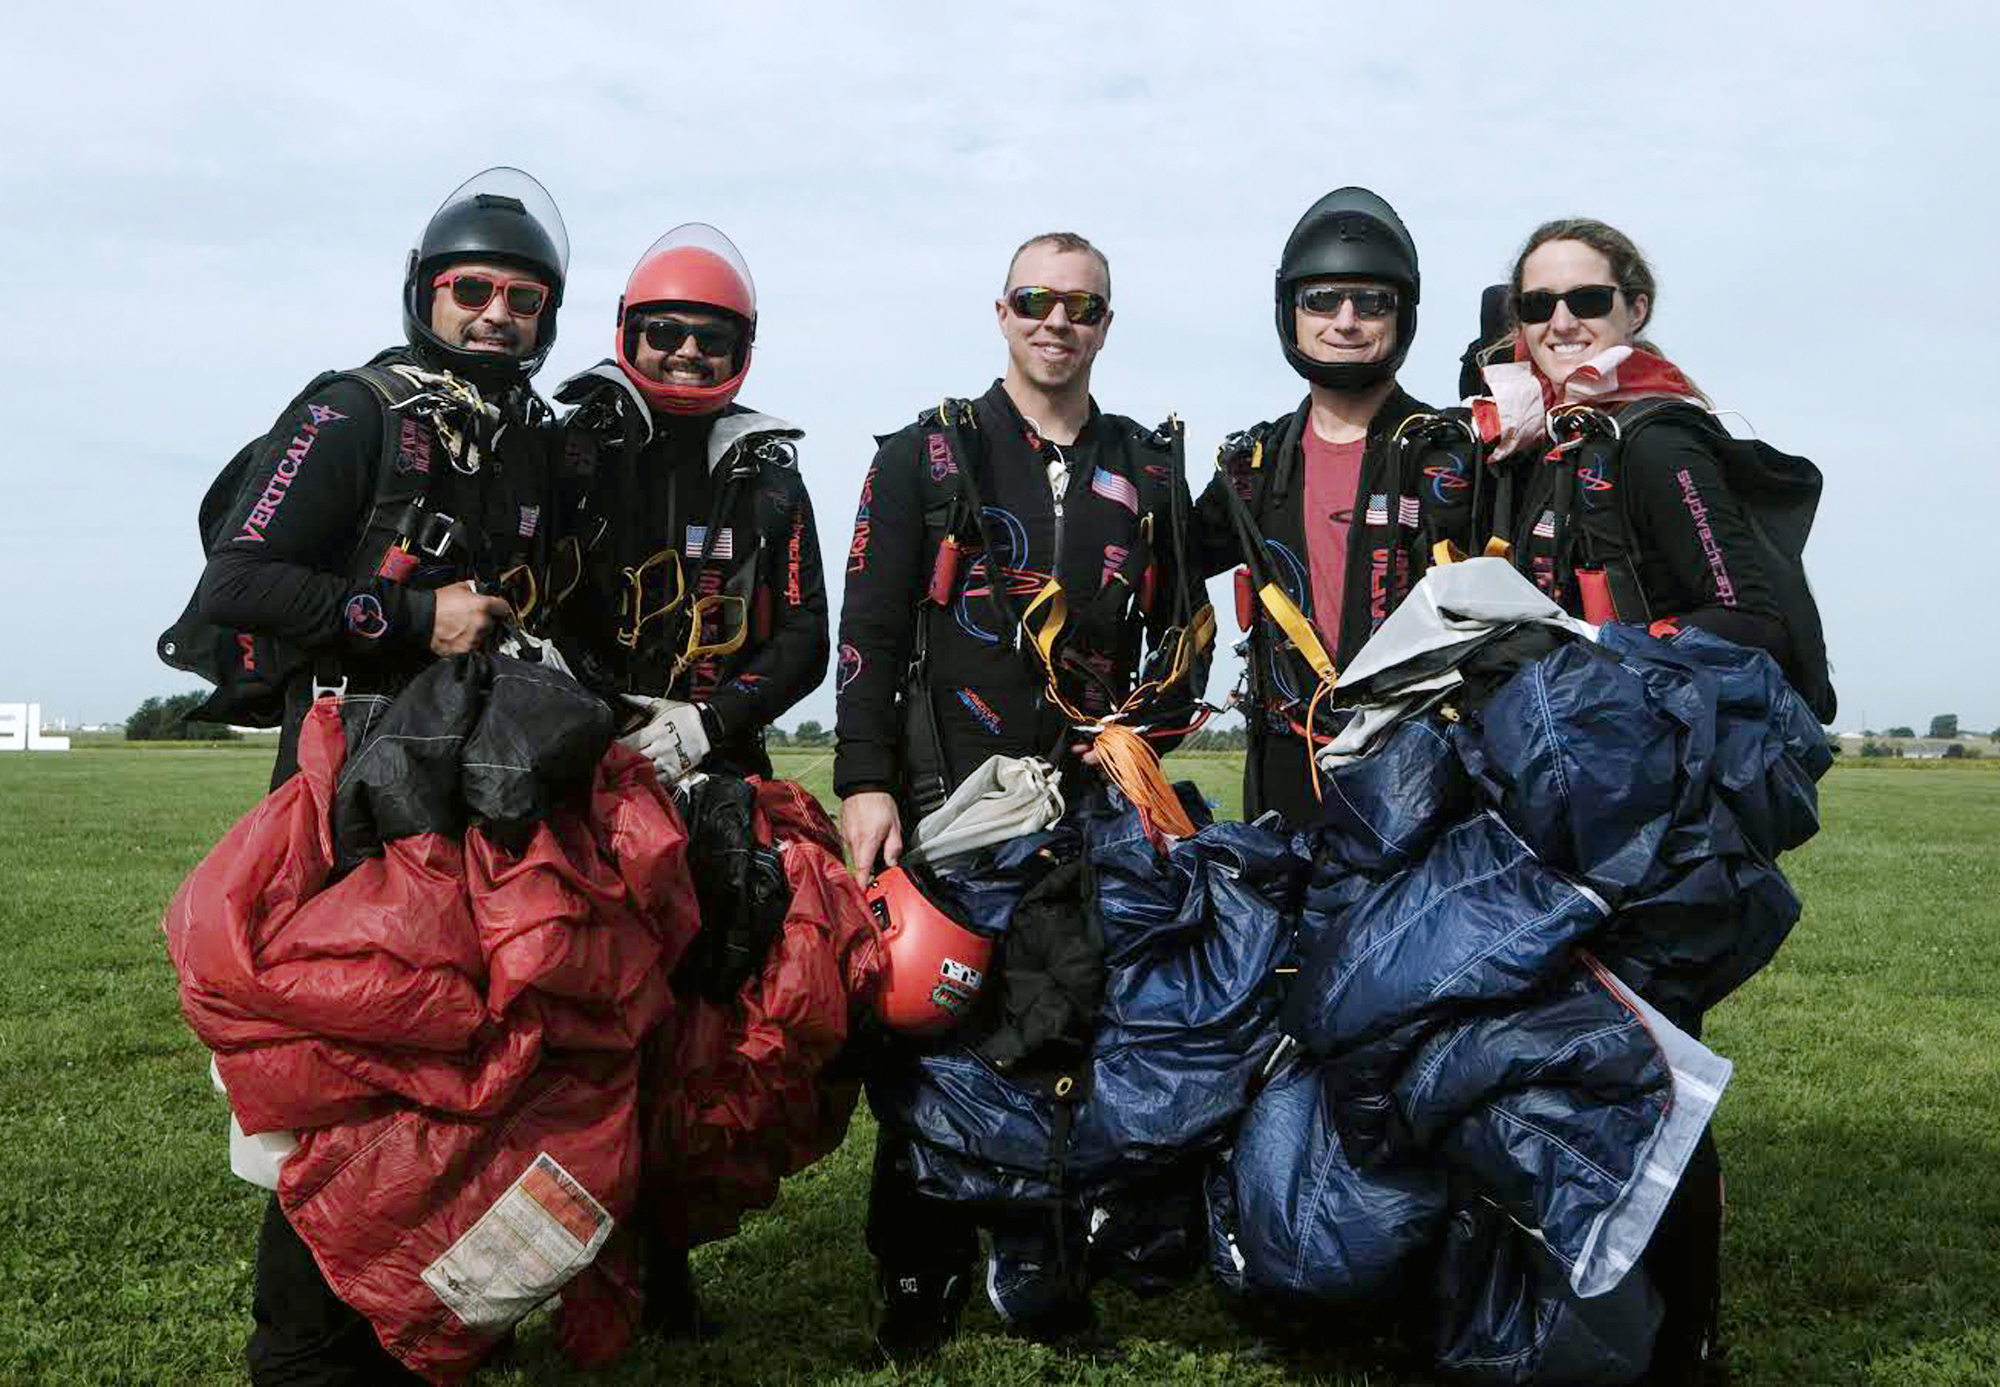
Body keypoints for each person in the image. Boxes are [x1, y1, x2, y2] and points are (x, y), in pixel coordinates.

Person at [189, 167, 569, 1386]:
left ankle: (423, 1342)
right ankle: (299, 1359)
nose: (496, 313)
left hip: (465, 823)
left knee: (473, 1086)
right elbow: (236, 585)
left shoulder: (523, 443)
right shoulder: (357, 410)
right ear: (426, 293)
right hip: (344, 822)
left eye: (522, 297)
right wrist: (410, 613)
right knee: (340, 1098)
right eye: (472, 291)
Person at [833, 231, 1207, 1357]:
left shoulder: (1146, 465)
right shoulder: (926, 454)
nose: (1059, 322)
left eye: (1083, 308)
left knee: (1066, 1030)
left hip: (1083, 804)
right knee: (927, 1025)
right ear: (1000, 310)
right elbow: (871, 626)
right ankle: (917, 1267)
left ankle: (1040, 1264)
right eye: (1037, 301)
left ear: (1105, 324)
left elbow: (1187, 631)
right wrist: (862, 782)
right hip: (949, 792)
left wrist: (1138, 738)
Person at [1476, 217, 1792, 1386]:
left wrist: (1600, 658)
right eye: (1539, 303)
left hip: (1653, 822)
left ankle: (1684, 1345)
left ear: (1633, 310)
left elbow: (1743, 616)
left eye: (1587, 298)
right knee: (1577, 1077)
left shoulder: (1654, 442)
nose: (1561, 320)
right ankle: (1582, 1333)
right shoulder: (1545, 450)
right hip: (1569, 814)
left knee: (1652, 1079)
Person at [546, 224, 830, 1338]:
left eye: (708, 343)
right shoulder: (572, 448)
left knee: (694, 1025)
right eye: (662, 336)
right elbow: (534, 591)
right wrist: (595, 716)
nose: (682, 359)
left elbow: (803, 636)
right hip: (577, 766)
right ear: (626, 334)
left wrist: (707, 724)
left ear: (741, 352)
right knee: (569, 1017)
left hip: (712, 776)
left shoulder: (767, 472)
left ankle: (658, 1262)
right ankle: (539, 1257)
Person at [1192, 187, 1470, 825]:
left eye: (1371, 301)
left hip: (1425, 769)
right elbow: (1151, 574)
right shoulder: (1251, 467)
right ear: (1290, 312)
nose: (1346, 319)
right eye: (1322, 300)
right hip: (1286, 770)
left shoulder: (1456, 456)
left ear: (1402, 315)